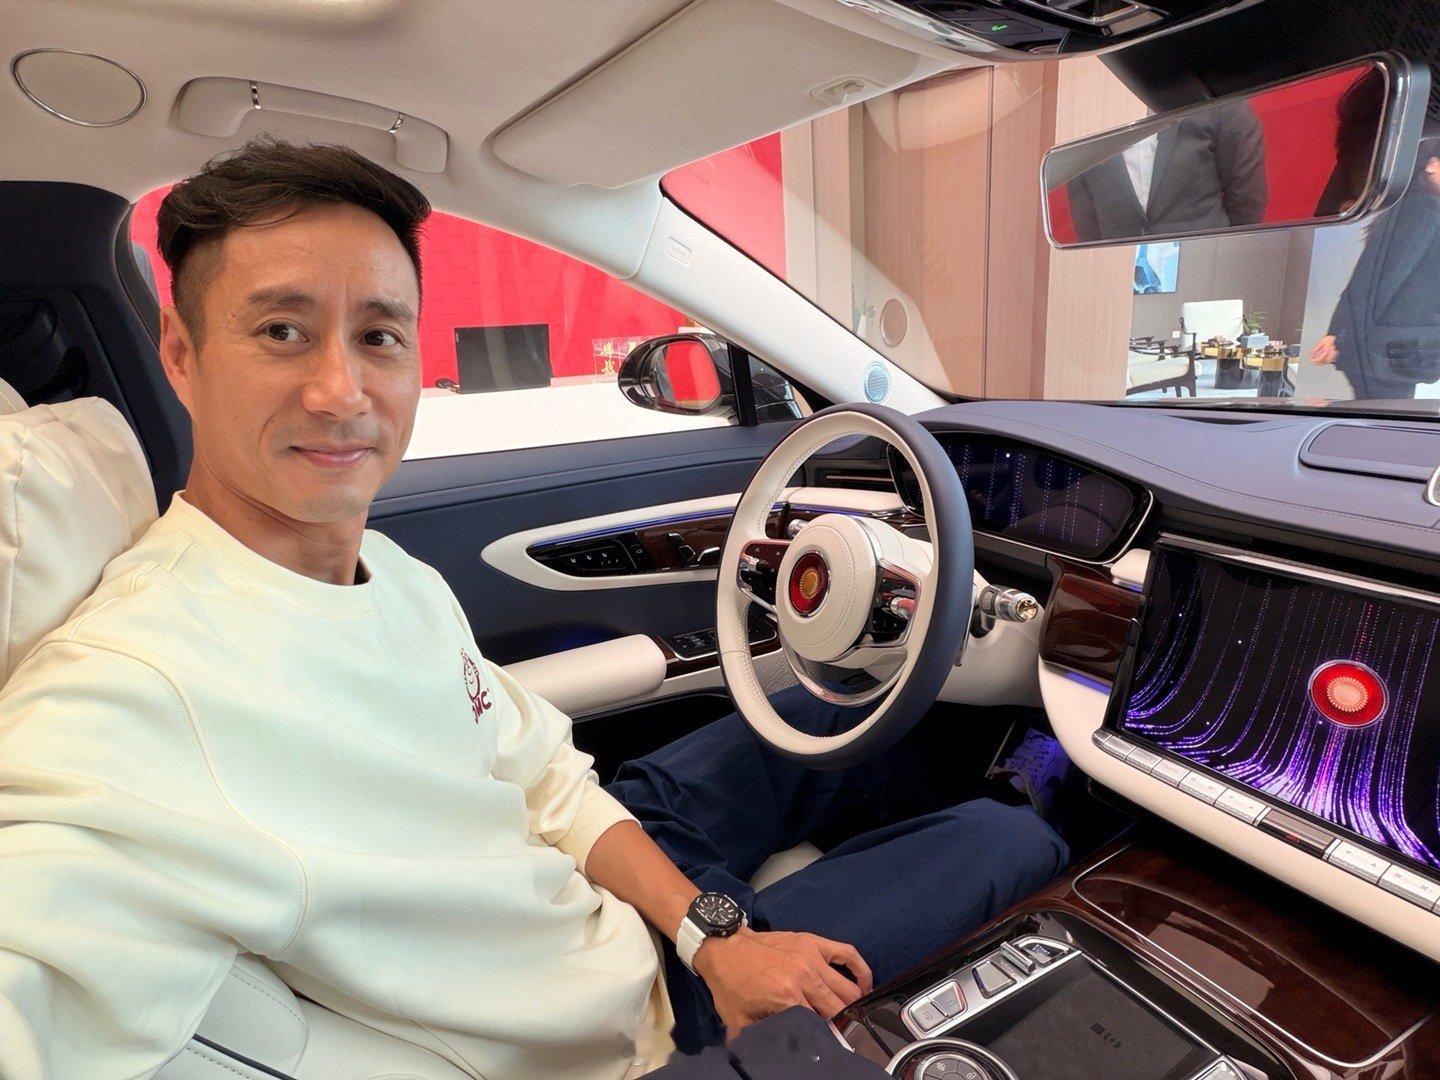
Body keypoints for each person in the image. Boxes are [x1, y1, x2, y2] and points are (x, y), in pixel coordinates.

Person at [0, 138, 1066, 1079]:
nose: (340, 391)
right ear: (182, 356)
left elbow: (546, 777)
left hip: (617, 873)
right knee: (1000, 839)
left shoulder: (387, 572)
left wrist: (710, 927)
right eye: (282, 331)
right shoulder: (129, 690)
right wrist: (723, 956)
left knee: (843, 706)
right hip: (645, 1024)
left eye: (379, 336)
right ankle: (1048, 796)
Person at [1309, 133, 1440, 399]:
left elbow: (1369, 276)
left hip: (1386, 354)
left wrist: (1339, 334)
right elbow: (1380, 281)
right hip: (1391, 355)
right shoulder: (1423, 210)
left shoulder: (1409, 207)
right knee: (1383, 420)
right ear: (1431, 164)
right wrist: (1341, 335)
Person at [1067, 100, 1269, 242]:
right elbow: (1085, 214)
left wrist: (1225, 251)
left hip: (1206, 265)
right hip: (1113, 271)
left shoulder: (1216, 101)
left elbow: (1247, 198)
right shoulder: (1084, 110)